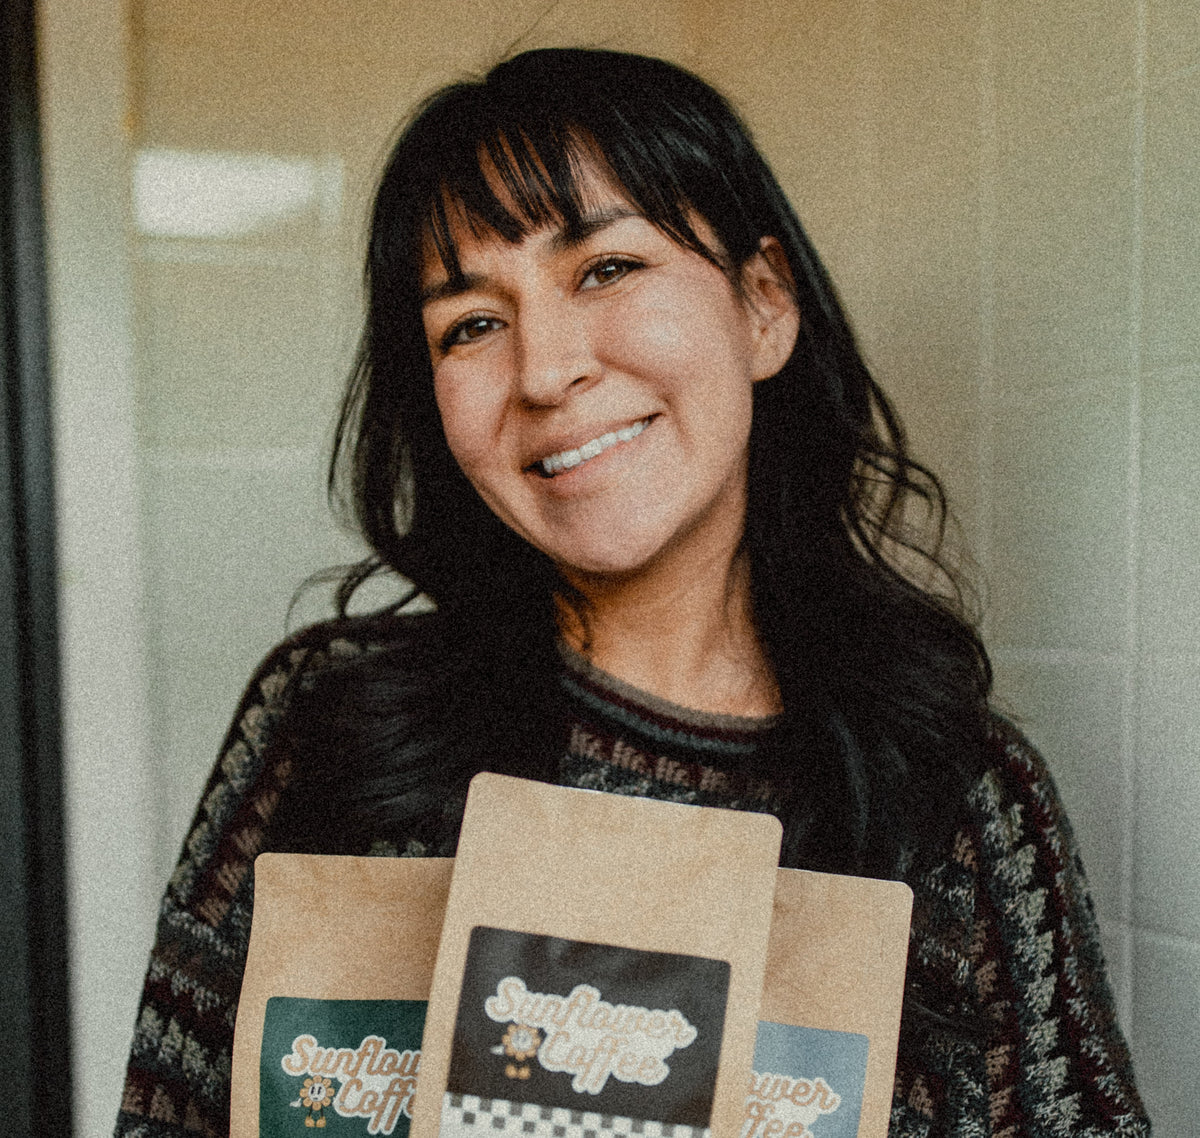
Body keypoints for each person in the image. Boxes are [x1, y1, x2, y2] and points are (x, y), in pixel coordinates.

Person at [114, 47, 1148, 1137]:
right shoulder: (329, 719)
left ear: (764, 305)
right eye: (472, 323)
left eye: (605, 268)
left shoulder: (954, 796)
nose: (544, 370)